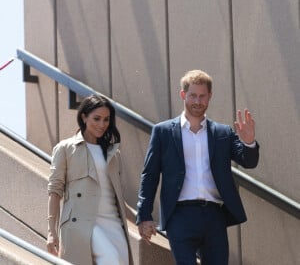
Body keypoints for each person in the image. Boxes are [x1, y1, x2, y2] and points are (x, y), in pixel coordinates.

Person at [136, 69, 259, 265]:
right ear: (183, 95)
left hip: (214, 217)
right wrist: (144, 215)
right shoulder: (163, 132)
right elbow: (149, 175)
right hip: (179, 215)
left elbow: (249, 161)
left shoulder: (222, 132)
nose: (197, 101)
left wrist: (249, 142)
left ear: (209, 96)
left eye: (202, 96)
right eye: (193, 95)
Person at [47, 94, 133, 265]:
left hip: (114, 222)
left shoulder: (113, 154)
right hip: (83, 221)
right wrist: (51, 232)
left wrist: (142, 220)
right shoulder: (65, 148)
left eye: (106, 119)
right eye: (97, 118)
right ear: (84, 117)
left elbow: (117, 196)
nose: (102, 125)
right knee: (111, 259)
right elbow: (54, 191)